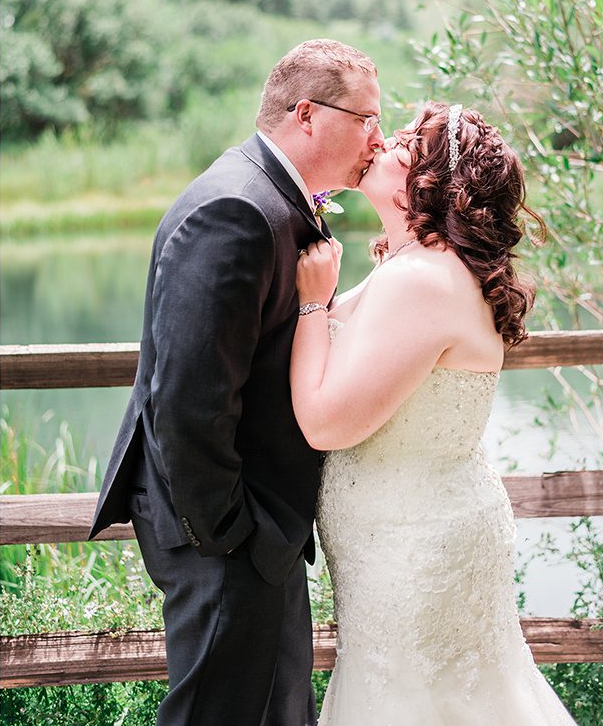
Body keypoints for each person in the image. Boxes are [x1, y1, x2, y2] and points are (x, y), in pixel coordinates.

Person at [91, 39, 384, 725]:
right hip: (222, 532)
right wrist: (231, 534)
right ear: (306, 114)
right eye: (366, 117)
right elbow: (189, 400)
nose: (377, 134)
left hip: (260, 529)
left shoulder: (276, 196)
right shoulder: (237, 208)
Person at [291, 101, 572, 723]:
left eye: (408, 139)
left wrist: (312, 304)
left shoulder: (421, 278)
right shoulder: (413, 265)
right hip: (405, 534)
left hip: (414, 547)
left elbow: (324, 422)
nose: (385, 141)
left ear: (436, 179)